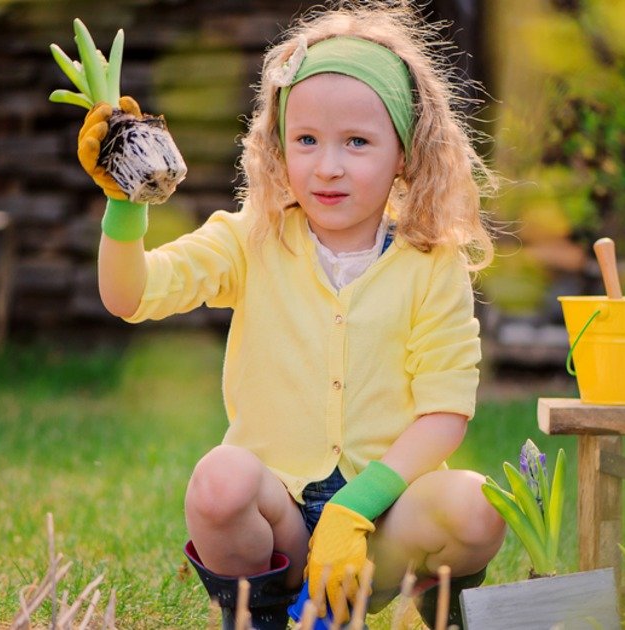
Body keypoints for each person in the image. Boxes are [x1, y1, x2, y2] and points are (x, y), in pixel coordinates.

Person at [77, 2, 505, 627]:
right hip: (276, 522)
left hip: (383, 523)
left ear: (406, 154)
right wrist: (124, 204)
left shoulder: (430, 261)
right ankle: (269, 615)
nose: (327, 166)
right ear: (278, 146)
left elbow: (444, 414)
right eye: (306, 140)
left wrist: (353, 512)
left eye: (356, 142)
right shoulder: (253, 238)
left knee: (477, 505)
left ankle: (432, 615)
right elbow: (130, 294)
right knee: (219, 480)